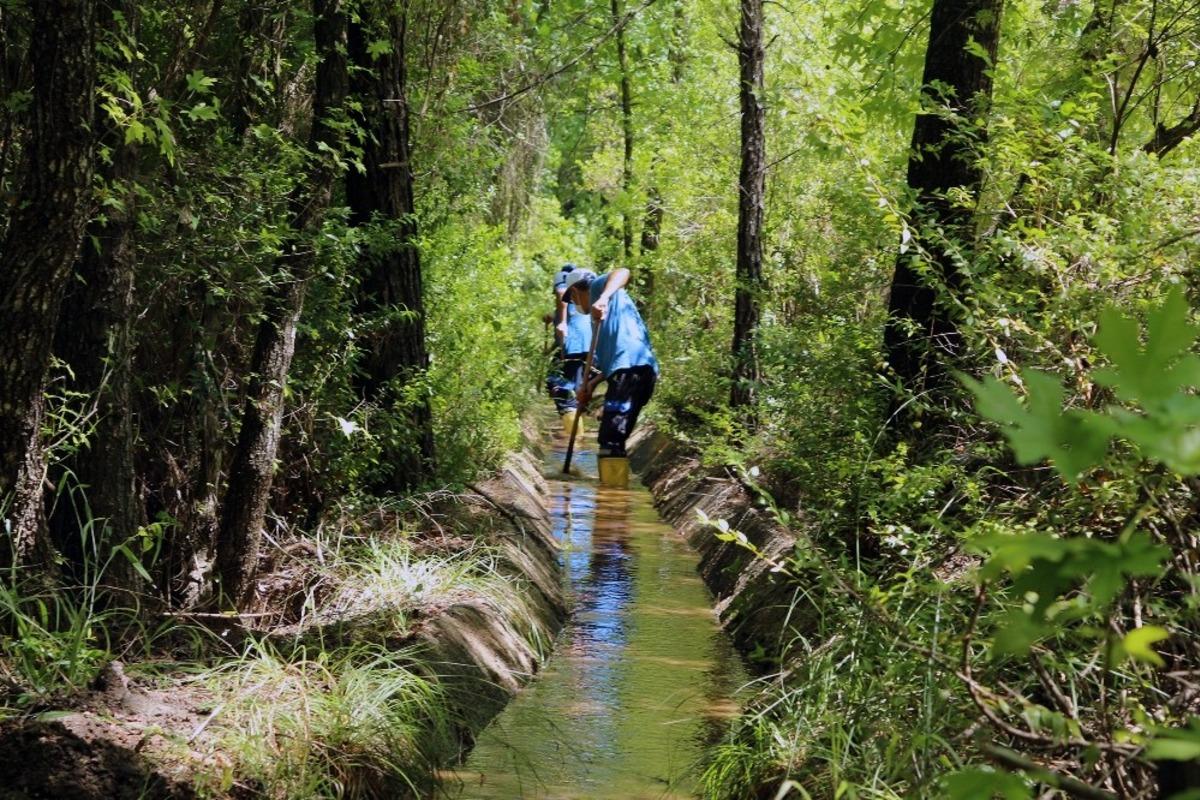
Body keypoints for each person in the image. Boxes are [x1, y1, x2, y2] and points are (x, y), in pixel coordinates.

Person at [561, 267, 658, 487]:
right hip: (633, 372)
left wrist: (603, 298)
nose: (574, 301)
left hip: (631, 370)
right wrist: (591, 385)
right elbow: (611, 363)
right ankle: (613, 495)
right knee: (613, 437)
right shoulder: (599, 323)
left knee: (610, 439)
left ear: (578, 290)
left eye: (573, 296)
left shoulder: (599, 289)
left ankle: (613, 502)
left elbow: (623, 272)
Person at [545, 264, 595, 434]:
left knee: (559, 386)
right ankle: (576, 433)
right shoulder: (583, 292)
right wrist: (552, 348)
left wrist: (561, 322)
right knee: (574, 389)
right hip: (589, 346)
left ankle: (576, 438)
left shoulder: (563, 278)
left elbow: (561, 294)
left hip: (573, 344)